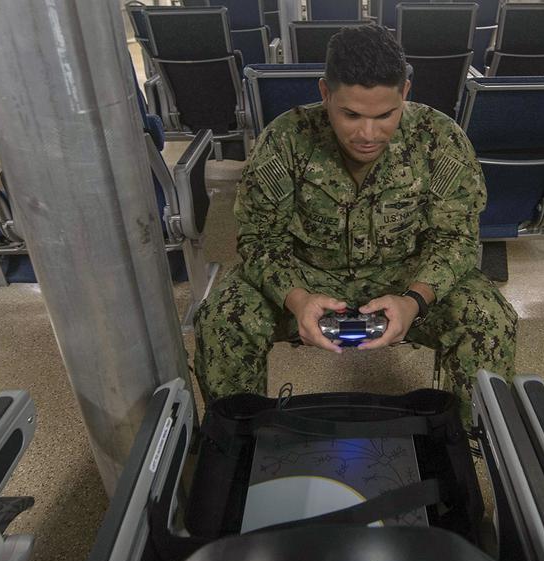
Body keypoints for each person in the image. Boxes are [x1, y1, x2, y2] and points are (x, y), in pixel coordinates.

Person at [194, 25, 517, 423]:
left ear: (406, 94)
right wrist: (297, 299)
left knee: (489, 318)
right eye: (350, 114)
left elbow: (456, 241)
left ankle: (470, 446)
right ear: (325, 93)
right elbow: (260, 239)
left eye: (385, 115)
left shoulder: (440, 140)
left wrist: (414, 301)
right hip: (306, 278)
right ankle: (234, 442)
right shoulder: (284, 139)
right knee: (222, 318)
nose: (367, 133)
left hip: (406, 279)